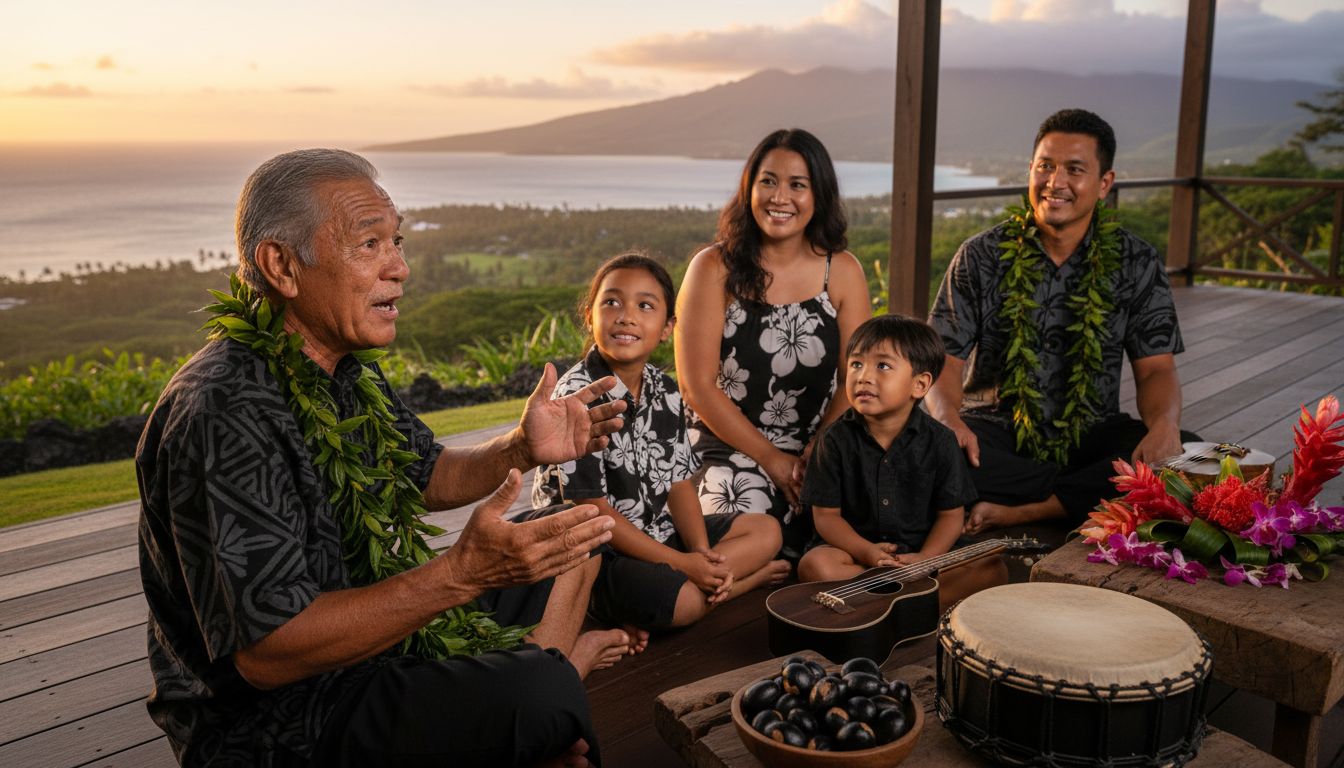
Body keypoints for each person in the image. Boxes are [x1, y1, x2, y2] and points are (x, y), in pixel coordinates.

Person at [136, 148, 634, 767]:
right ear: (283, 265)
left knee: (565, 538)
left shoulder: (342, 370)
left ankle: (531, 706)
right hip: (275, 723)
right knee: (541, 690)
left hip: (371, 644)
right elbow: (269, 655)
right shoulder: (221, 411)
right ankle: (543, 694)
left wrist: (521, 448)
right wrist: (461, 574)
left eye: (396, 241)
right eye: (370, 244)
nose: (400, 268)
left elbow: (425, 472)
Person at [927, 109, 1198, 535]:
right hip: (995, 432)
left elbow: (1157, 368)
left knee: (1194, 457)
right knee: (928, 449)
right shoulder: (980, 255)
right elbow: (944, 360)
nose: (1055, 182)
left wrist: (1165, 426)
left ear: (1105, 183)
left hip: (1091, 433)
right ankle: (1088, 497)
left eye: (1074, 170)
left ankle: (1029, 509)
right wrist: (948, 422)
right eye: (1045, 166)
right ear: (1030, 170)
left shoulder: (1136, 261)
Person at [533, 253, 791, 635]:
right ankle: (741, 584)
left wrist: (701, 554)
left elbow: (679, 484)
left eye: (645, 306)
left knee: (766, 531)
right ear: (590, 315)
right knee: (684, 601)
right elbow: (593, 512)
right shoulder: (577, 397)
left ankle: (697, 585)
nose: (626, 316)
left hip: (655, 531)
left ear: (668, 327)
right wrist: (682, 565)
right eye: (611, 302)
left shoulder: (664, 389)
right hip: (596, 553)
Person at [676, 128, 871, 559]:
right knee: (746, 528)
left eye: (797, 185)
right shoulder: (713, 268)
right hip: (726, 444)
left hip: (821, 444)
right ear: (749, 188)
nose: (779, 197)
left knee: (870, 526)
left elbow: (854, 379)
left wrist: (816, 455)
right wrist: (772, 459)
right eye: (768, 181)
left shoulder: (841, 271)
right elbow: (697, 387)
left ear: (818, 194)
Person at [797, 315, 977, 581]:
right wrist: (866, 551)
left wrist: (927, 559)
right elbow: (826, 517)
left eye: (882, 365)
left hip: (919, 550)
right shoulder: (833, 440)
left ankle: (880, 598)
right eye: (856, 364)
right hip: (855, 551)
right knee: (815, 566)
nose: (863, 377)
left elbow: (951, 516)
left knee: (990, 567)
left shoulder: (941, 441)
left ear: (920, 385)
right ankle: (898, 596)